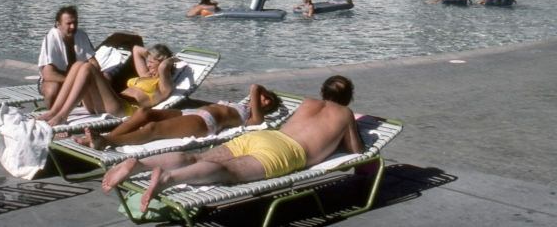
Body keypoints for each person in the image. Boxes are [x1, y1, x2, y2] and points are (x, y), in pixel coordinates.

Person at [102, 75, 364, 212]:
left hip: (265, 136)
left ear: (323, 92)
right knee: (229, 172)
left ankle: (140, 163)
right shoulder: (344, 114)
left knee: (199, 157)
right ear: (348, 98)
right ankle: (168, 178)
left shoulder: (308, 103)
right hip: (285, 152)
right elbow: (356, 150)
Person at [81, 84, 281, 150]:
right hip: (193, 114)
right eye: (265, 99)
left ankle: (106, 140)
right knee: (144, 113)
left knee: (152, 129)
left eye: (268, 103)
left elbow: (254, 87)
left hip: (205, 123)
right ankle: (101, 136)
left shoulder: (255, 118)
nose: (263, 101)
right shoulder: (241, 105)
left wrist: (263, 95)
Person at [37, 44, 175, 127]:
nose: (148, 64)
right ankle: (55, 110)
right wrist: (150, 53)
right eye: (148, 61)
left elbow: (163, 68)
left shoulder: (162, 86)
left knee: (88, 68)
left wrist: (169, 60)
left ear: (161, 62)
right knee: (79, 65)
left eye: (152, 62)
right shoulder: (145, 74)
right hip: (108, 102)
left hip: (122, 109)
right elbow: (136, 50)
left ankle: (62, 115)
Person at [37, 5, 99, 109]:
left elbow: (94, 62)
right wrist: (75, 81)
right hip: (53, 80)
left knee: (105, 78)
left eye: (75, 23)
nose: (73, 27)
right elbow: (48, 74)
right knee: (53, 89)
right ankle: (52, 117)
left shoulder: (81, 35)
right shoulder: (51, 38)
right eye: (69, 24)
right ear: (58, 24)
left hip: (76, 77)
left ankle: (97, 113)